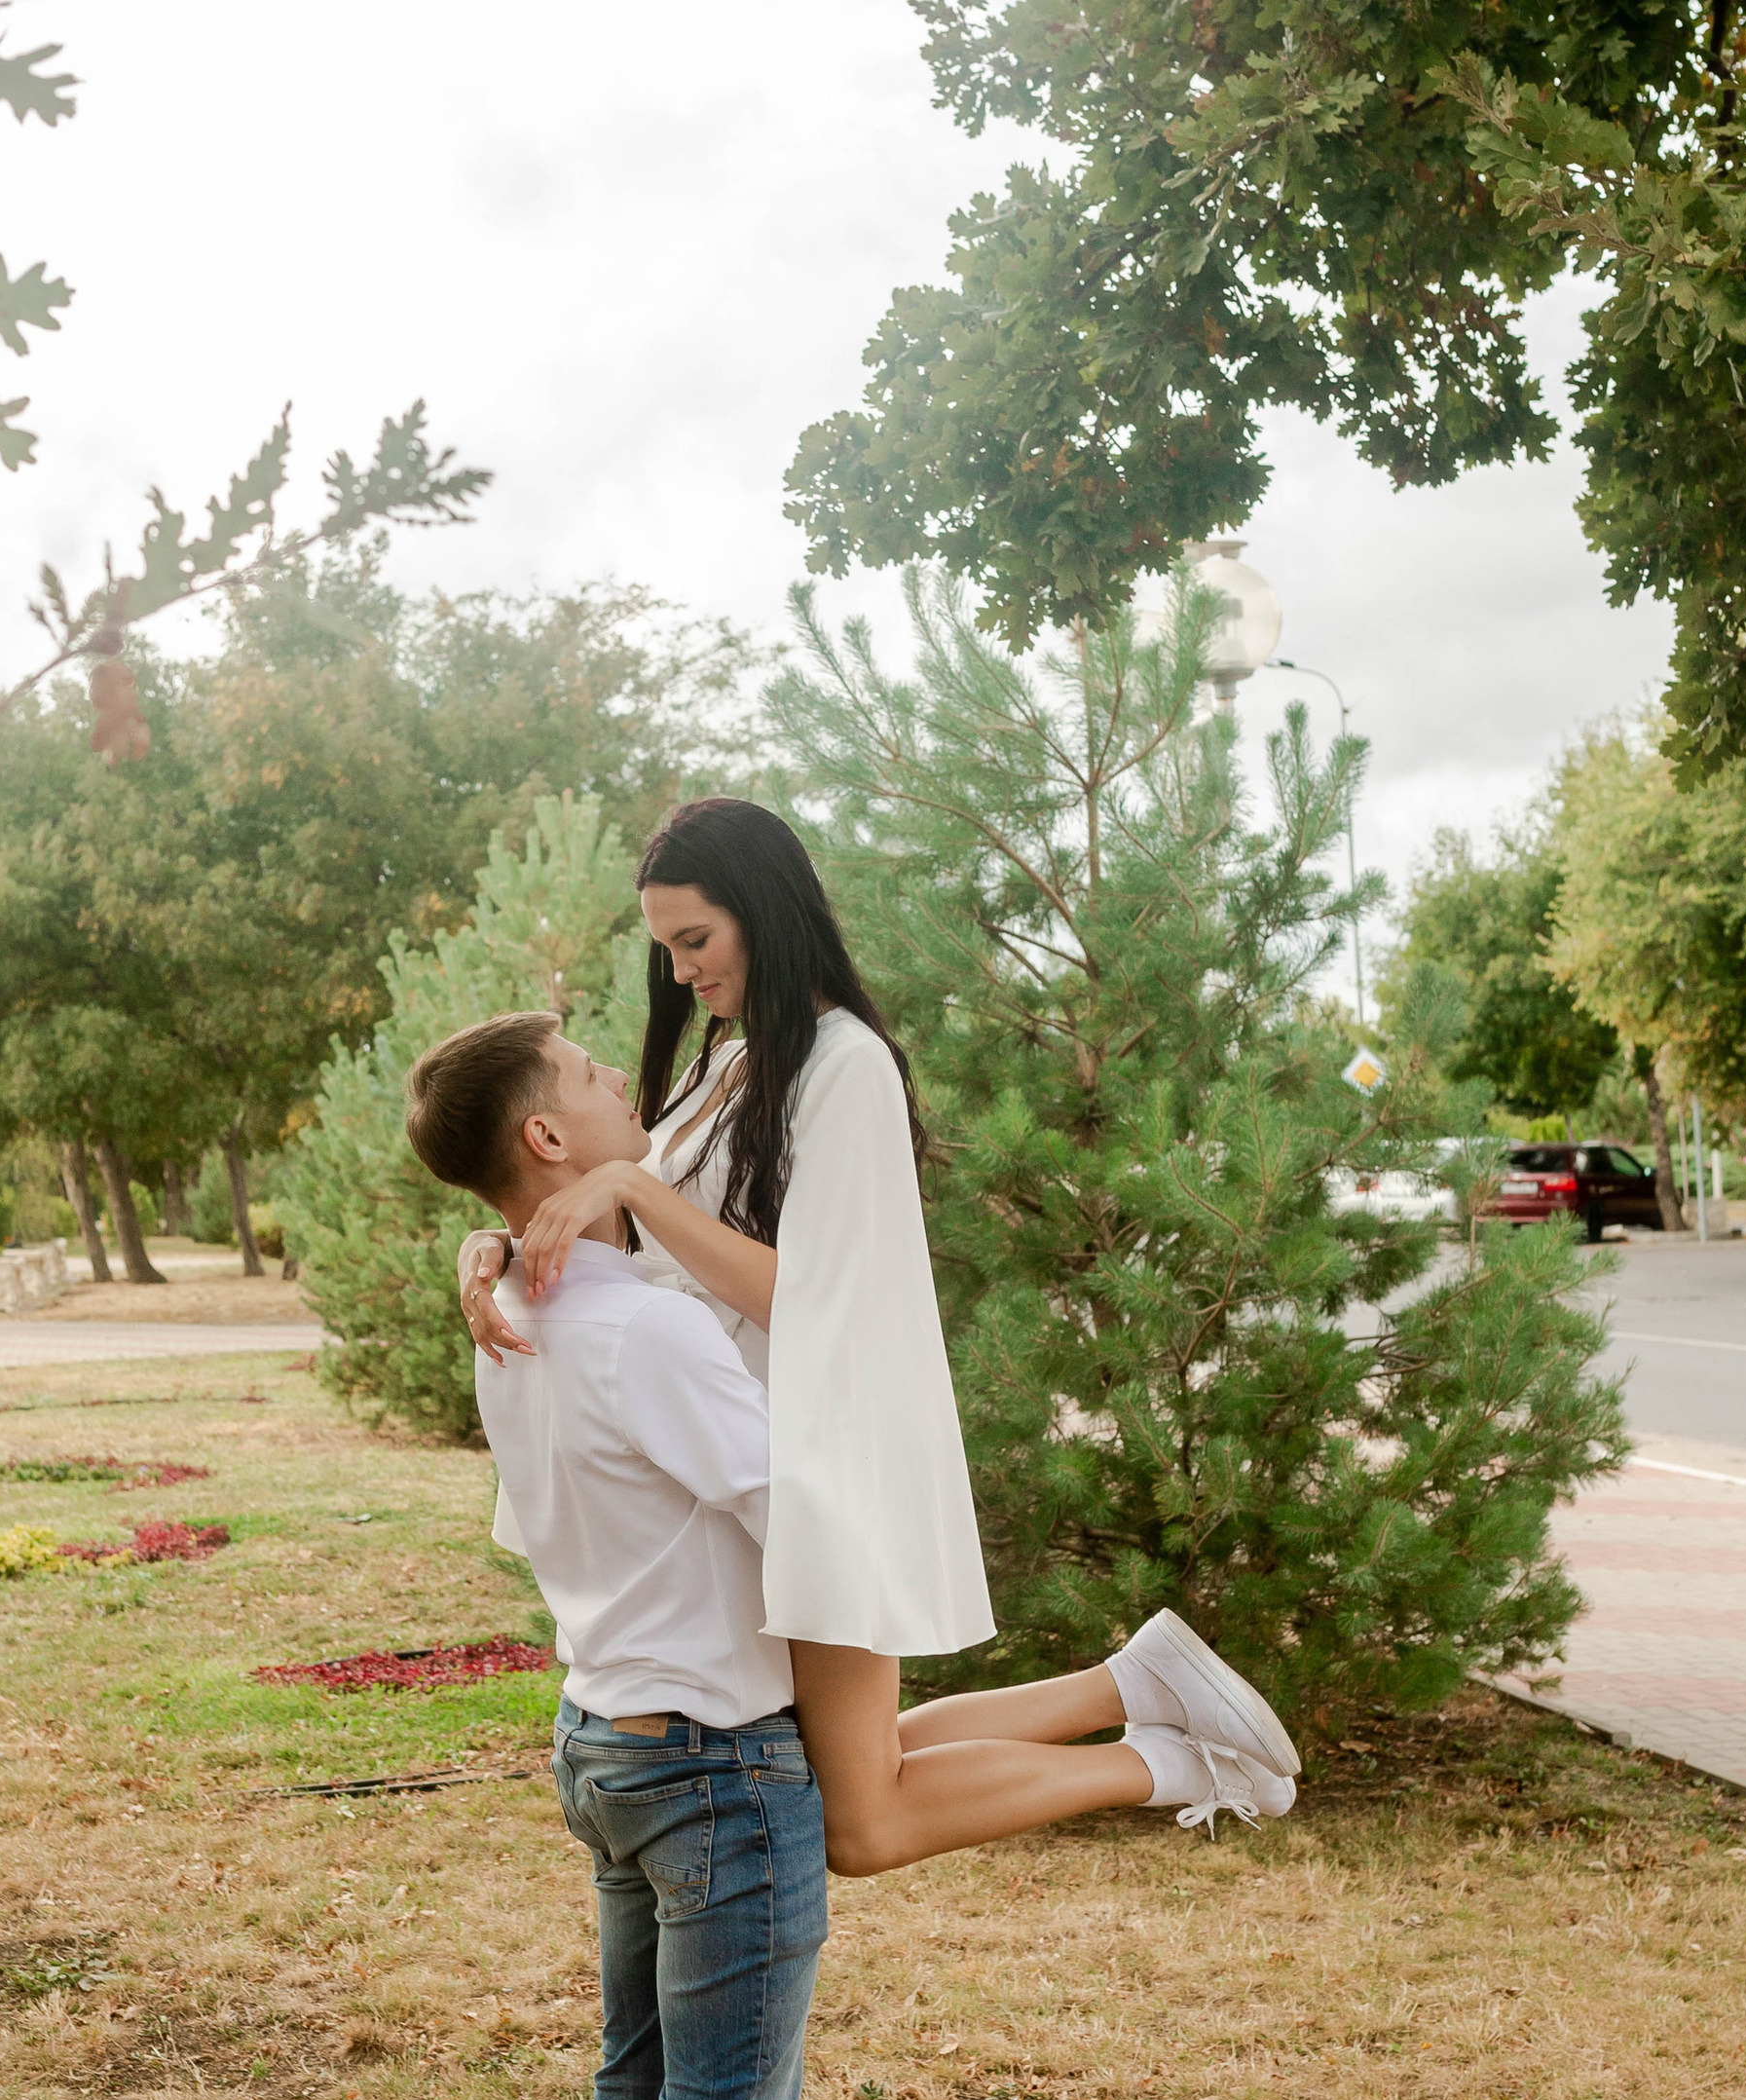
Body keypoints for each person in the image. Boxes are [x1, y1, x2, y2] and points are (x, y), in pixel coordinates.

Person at [458, 797, 1300, 1864]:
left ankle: (1173, 1760)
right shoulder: (727, 1068)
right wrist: (497, 1244)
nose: (679, 974)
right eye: (666, 948)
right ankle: (1132, 1687)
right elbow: (624, 1236)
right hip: (747, 1462)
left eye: (695, 941)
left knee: (858, 1821)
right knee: (845, 1776)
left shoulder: (842, 1063)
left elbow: (818, 1298)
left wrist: (633, 1182)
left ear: (762, 912)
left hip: (818, 1463)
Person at [405, 1006, 937, 2100]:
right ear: (550, 1143)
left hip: (609, 1739)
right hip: (711, 1764)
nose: (615, 1079)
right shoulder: (627, 1325)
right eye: (582, 1074)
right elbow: (801, 1501)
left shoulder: (524, 1305)